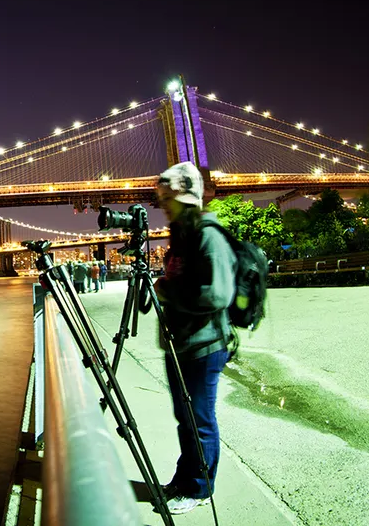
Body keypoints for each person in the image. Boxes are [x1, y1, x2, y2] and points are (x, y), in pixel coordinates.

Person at [152, 161, 236, 515]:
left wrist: (171, 294)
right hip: (182, 344)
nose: (164, 208)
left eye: (168, 201)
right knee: (184, 418)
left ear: (186, 199)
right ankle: (183, 478)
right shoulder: (182, 237)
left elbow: (218, 294)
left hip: (204, 346)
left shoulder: (207, 236)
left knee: (199, 420)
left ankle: (200, 489)